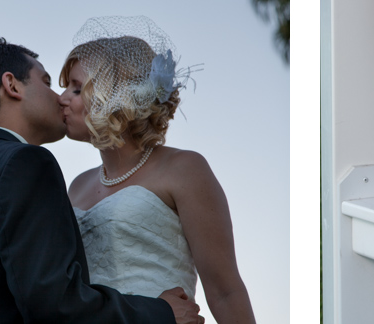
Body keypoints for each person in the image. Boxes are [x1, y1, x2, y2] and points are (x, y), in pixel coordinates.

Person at [0, 38, 202, 324]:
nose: (59, 97)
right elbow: (54, 303)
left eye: (74, 88)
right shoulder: (26, 163)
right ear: (12, 85)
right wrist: (160, 313)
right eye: (46, 82)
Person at [58, 16, 256, 323]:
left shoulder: (185, 169)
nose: (62, 99)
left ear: (113, 95)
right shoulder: (76, 186)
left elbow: (225, 290)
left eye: (75, 88)